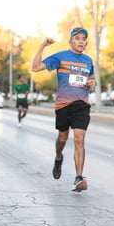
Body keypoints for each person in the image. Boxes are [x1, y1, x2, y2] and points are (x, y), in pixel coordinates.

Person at [32, 27, 97, 192]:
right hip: (63, 105)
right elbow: (36, 67)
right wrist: (42, 46)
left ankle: (78, 178)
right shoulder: (60, 57)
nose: (81, 41)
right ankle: (58, 157)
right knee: (62, 138)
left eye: (84, 39)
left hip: (82, 104)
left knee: (79, 139)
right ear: (71, 41)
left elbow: (90, 79)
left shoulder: (88, 61)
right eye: (78, 38)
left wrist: (92, 83)